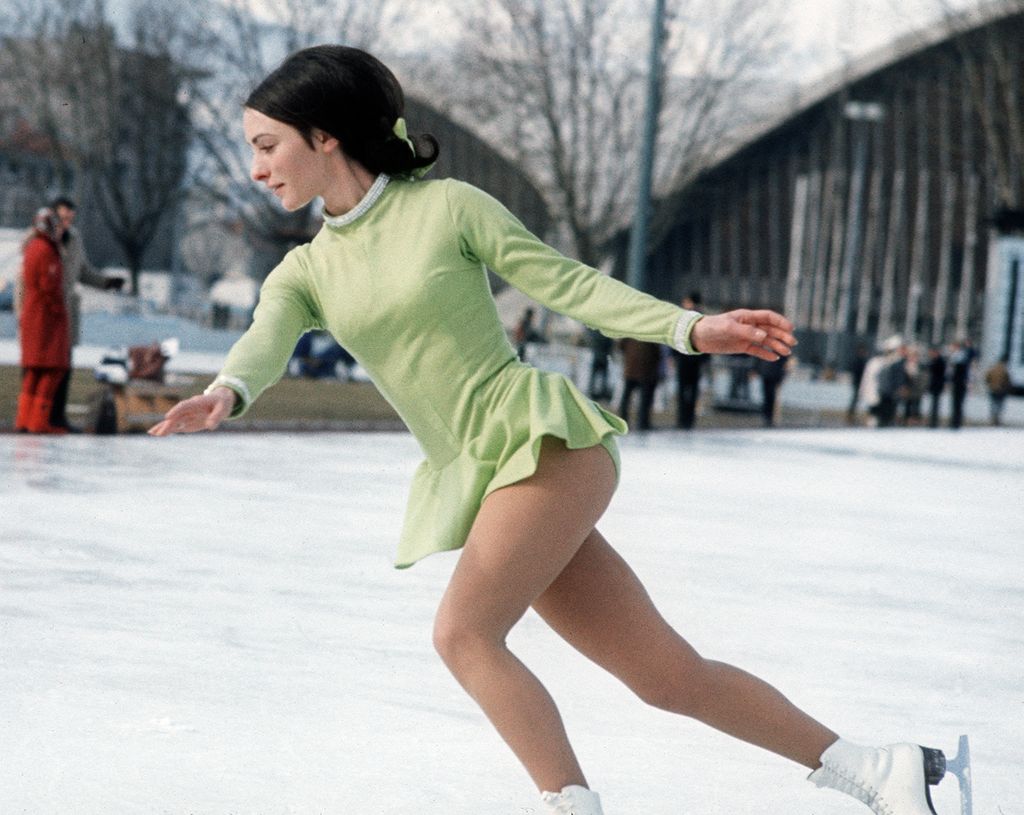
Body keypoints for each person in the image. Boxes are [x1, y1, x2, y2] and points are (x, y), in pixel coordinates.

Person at [149, 46, 959, 815]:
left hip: (543, 442)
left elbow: (571, 286)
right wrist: (227, 390)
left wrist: (690, 329)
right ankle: (877, 768)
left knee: (464, 633)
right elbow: (264, 336)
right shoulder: (306, 270)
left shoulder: (449, 208)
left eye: (267, 145)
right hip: (483, 472)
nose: (257, 168)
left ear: (325, 136)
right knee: (665, 675)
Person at [14, 208, 70, 434]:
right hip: (46, 319)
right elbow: (50, 286)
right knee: (51, 369)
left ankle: (24, 419)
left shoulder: (31, 247)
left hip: (32, 314)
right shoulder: (47, 250)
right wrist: (59, 310)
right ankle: (38, 421)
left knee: (34, 371)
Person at [670, 292, 707, 429]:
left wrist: (673, 356)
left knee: (682, 390)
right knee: (693, 391)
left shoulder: (685, 318)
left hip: (683, 359)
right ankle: (689, 420)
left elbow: (677, 337)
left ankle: (681, 420)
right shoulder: (702, 317)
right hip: (696, 361)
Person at [617, 337, 662, 430]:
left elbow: (620, 346)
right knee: (644, 399)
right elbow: (657, 351)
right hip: (646, 369)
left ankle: (622, 421)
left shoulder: (628, 330)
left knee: (627, 397)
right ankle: (642, 422)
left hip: (631, 368)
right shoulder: (650, 331)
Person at [757, 354, 788, 427]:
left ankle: (771, 418)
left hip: (775, 375)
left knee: (772, 397)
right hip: (766, 374)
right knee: (767, 396)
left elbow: (784, 362)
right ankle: (767, 417)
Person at [948, 340, 972, 430]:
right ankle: (955, 422)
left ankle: (956, 423)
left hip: (959, 383)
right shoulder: (960, 357)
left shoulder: (959, 357)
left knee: (957, 403)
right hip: (959, 383)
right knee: (957, 404)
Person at [983, 356, 1012, 426]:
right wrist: (1006, 387)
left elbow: (986, 377)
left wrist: (989, 385)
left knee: (993, 404)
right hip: (1001, 390)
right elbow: (1008, 380)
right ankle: (997, 420)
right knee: (999, 405)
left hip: (993, 389)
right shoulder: (1005, 370)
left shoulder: (992, 369)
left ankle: (992, 419)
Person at [925, 346, 946, 429]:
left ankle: (934, 423)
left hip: (937, 386)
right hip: (934, 386)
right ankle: (932, 422)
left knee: (935, 405)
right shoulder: (935, 361)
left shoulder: (940, 361)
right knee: (933, 405)